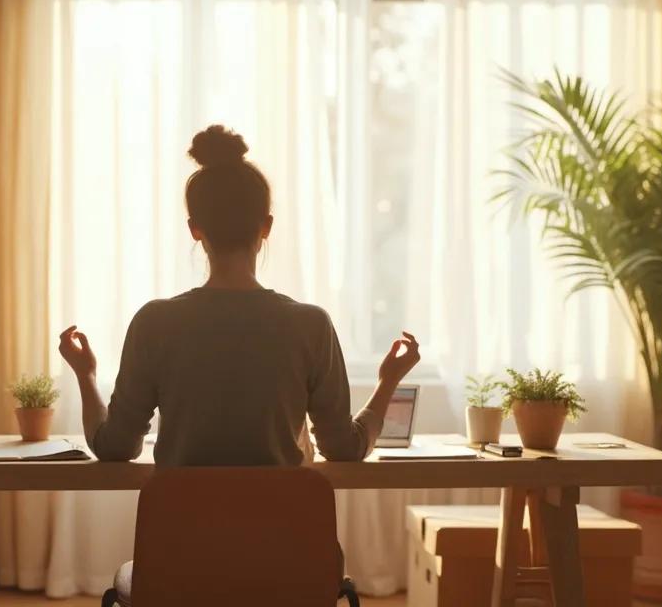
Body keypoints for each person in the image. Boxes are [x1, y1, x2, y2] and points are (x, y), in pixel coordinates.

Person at [57, 125, 420, 465]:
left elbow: (115, 447)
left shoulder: (154, 323)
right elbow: (344, 448)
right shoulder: (311, 325)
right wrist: (388, 381)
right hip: (283, 516)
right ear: (266, 226)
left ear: (195, 229)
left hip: (183, 515)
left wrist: (86, 375)